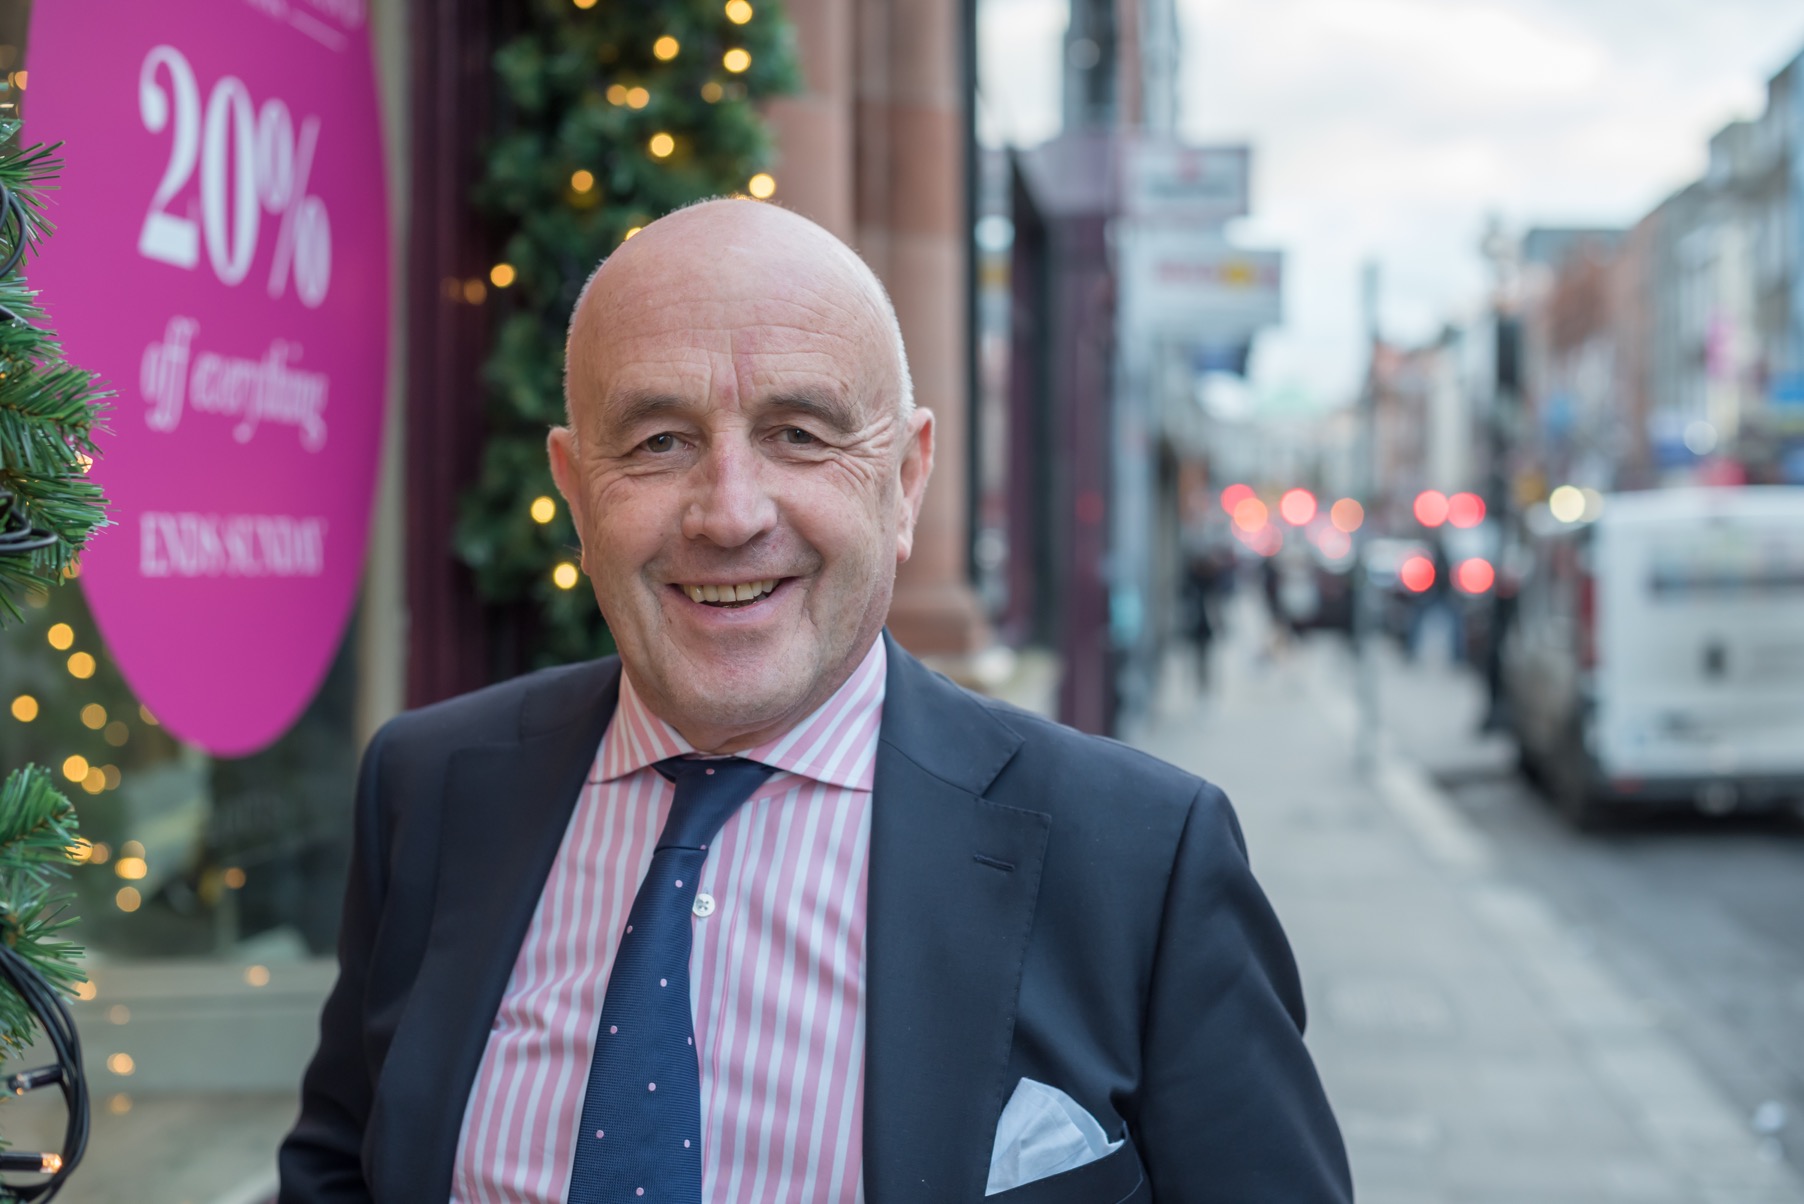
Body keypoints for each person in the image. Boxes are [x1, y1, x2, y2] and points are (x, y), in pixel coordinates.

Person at [278, 200, 1351, 1203]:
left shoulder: (1139, 859)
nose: (730, 513)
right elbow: (339, 1167)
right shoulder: (430, 789)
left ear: (907, 478)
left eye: (798, 433)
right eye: (658, 441)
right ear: (572, 486)